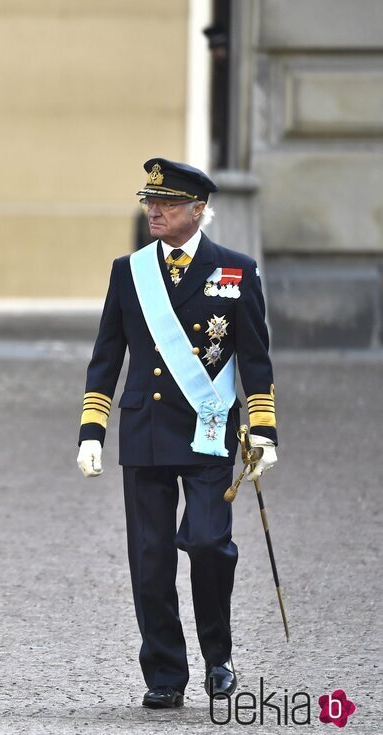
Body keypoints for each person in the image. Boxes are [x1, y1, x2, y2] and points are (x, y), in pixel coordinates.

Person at [75, 158, 279, 709]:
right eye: (149, 202)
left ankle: (219, 656)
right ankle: (164, 672)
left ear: (197, 210)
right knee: (151, 557)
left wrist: (263, 431)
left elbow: (255, 362)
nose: (154, 211)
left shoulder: (236, 272)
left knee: (211, 544)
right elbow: (106, 358)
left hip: (207, 431)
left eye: (166, 203)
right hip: (143, 433)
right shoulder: (130, 271)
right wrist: (92, 430)